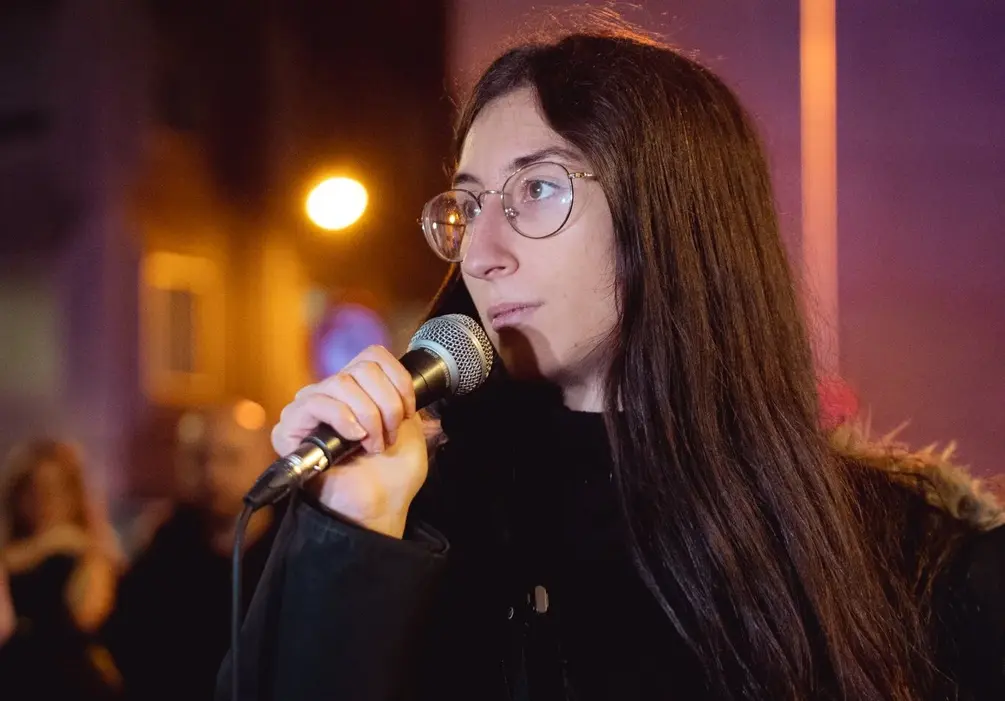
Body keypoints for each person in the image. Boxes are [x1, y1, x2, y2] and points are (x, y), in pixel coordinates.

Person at [219, 24, 1005, 701]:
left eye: (536, 188)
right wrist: (353, 535)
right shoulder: (419, 518)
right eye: (469, 205)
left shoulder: (905, 552)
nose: (481, 253)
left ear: (671, 212)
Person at [103, 400, 281, 701]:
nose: (213, 474)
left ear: (268, 460)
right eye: (201, 458)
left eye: (231, 458)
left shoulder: (297, 544)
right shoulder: (166, 544)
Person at [0, 439, 123, 699]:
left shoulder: (87, 554)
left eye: (55, 490)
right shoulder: (8, 558)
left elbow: (86, 613)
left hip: (73, 680)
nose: (44, 501)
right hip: (16, 677)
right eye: (34, 490)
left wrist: (86, 548)